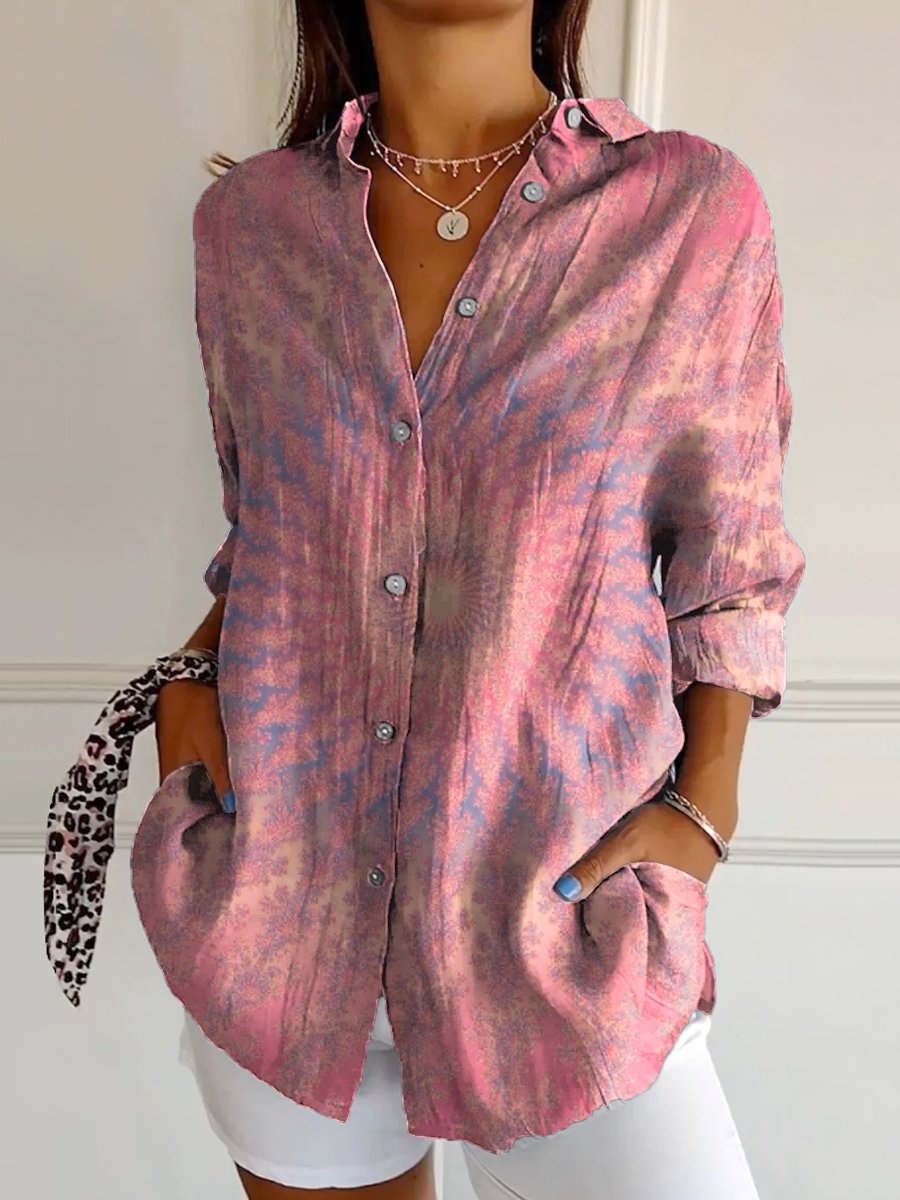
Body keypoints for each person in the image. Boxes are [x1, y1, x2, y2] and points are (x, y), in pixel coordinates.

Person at [144, 1, 804, 1197]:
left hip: (561, 929)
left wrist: (704, 813)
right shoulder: (248, 229)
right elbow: (275, 528)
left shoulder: (687, 213)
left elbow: (732, 556)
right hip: (281, 918)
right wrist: (188, 682)